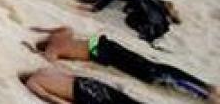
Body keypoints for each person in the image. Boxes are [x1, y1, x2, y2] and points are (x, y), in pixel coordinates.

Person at [25, 27, 215, 101]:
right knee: (151, 70)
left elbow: (47, 89)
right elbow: (66, 29)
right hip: (102, 46)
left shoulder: (52, 52)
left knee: (152, 73)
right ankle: (204, 89)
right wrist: (41, 32)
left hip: (102, 58)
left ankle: (206, 90)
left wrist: (36, 52)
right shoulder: (61, 37)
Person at [20, 66, 142, 104]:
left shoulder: (32, 83)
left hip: (80, 92)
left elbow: (48, 97)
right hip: (85, 82)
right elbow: (70, 74)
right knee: (122, 99)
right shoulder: (45, 70)